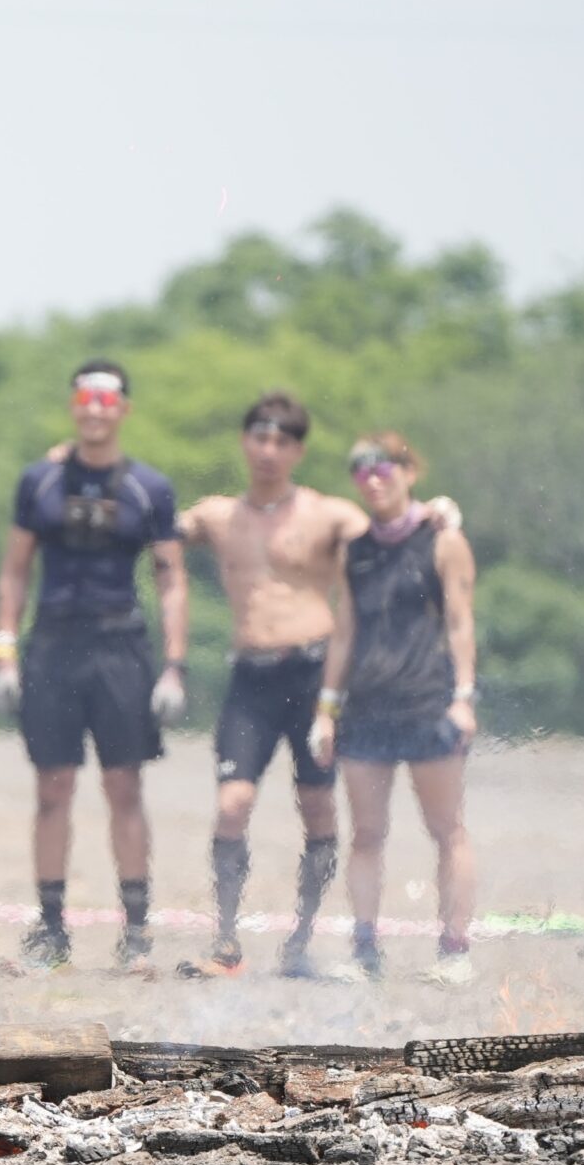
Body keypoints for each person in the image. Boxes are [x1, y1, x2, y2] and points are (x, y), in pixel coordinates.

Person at [172, 392, 462, 979]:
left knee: (320, 809)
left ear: (298, 449)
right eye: (260, 437)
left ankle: (301, 939)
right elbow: (148, 523)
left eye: (283, 440)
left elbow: (394, 526)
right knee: (233, 804)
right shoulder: (215, 516)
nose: (269, 450)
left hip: (313, 673)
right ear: (245, 441)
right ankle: (226, 942)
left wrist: (439, 510)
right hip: (250, 677)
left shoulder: (330, 516)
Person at [0, 361, 188, 970]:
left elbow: (171, 578)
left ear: (123, 409)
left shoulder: (148, 488)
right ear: (73, 405)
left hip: (119, 647)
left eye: (107, 398)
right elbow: (16, 567)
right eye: (85, 396)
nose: (95, 407)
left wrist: (174, 665)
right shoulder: (40, 481)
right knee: (52, 788)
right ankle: (51, 930)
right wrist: (4, 648)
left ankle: (136, 931)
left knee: (124, 786)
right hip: (52, 645)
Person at [310, 432, 481, 985]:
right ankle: (364, 950)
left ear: (409, 470)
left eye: (384, 464)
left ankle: (454, 950)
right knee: (365, 833)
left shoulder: (442, 539)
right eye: (360, 468)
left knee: (447, 828)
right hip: (366, 708)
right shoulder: (354, 550)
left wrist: (463, 698)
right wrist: (325, 710)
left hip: (429, 701)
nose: (372, 476)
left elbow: (460, 622)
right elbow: (344, 632)